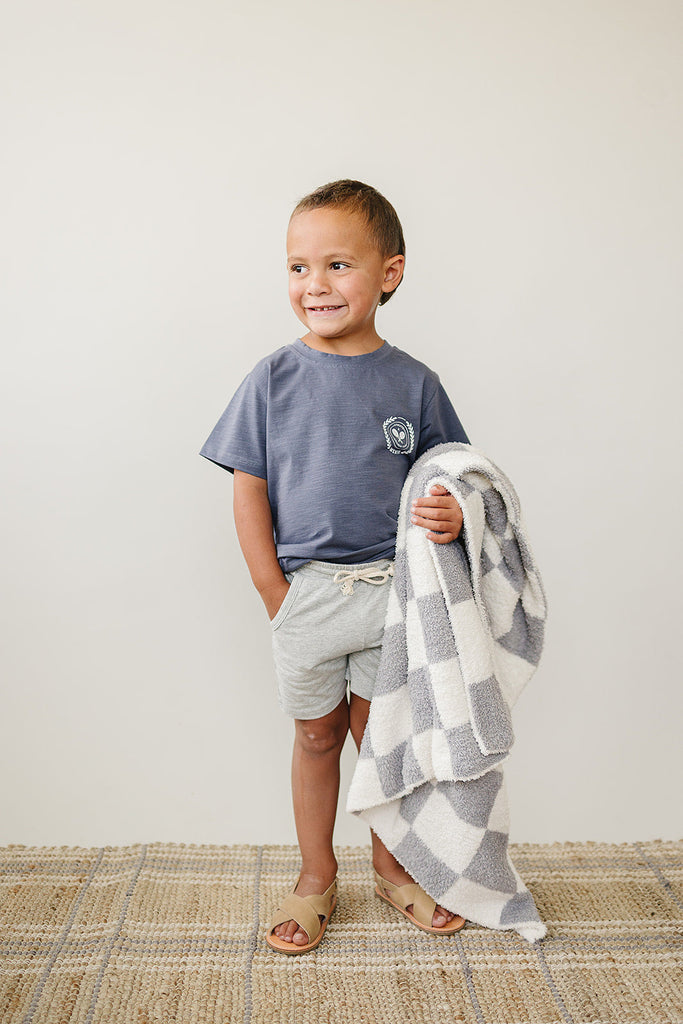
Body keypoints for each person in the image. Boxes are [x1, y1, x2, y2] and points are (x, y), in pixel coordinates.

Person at [200, 179, 470, 953]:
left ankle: (392, 868)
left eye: (337, 265)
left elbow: (450, 476)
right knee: (317, 737)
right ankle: (316, 875)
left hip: (392, 591)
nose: (313, 284)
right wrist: (274, 591)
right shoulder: (272, 378)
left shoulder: (414, 383)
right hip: (307, 595)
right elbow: (248, 488)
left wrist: (454, 515)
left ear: (389, 273)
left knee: (383, 741)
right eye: (297, 267)